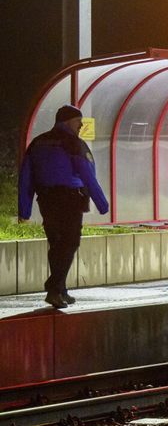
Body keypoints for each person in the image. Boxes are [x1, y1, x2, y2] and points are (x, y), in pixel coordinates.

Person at [16, 105, 109, 309]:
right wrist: (102, 203)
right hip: (70, 199)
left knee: (56, 243)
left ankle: (61, 290)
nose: (81, 125)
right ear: (67, 122)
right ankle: (54, 288)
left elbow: (25, 178)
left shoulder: (37, 143)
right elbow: (87, 175)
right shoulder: (73, 144)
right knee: (70, 242)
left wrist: (24, 209)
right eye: (79, 121)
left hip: (46, 200)